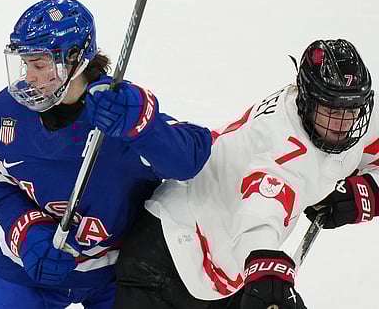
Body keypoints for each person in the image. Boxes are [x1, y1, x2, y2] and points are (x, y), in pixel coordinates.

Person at [0, 0, 212, 309]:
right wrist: (28, 234)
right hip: (33, 265)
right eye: (25, 64)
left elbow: (190, 159)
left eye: (39, 64)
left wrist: (145, 125)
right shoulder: (6, 114)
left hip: (121, 272)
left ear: (74, 58)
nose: (28, 76)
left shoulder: (121, 113)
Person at [113, 38, 378, 309]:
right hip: (165, 257)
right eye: (332, 110)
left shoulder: (339, 120)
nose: (343, 124)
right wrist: (268, 274)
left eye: (352, 110)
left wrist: (368, 191)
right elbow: (258, 217)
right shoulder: (280, 148)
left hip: (223, 270)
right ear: (308, 100)